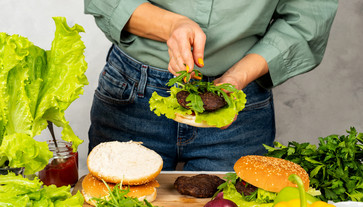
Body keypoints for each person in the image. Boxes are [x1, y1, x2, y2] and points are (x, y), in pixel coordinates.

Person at [84, 0, 338, 171]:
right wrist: (171, 25)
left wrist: (237, 78)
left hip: (241, 101)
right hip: (134, 93)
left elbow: (308, 18)